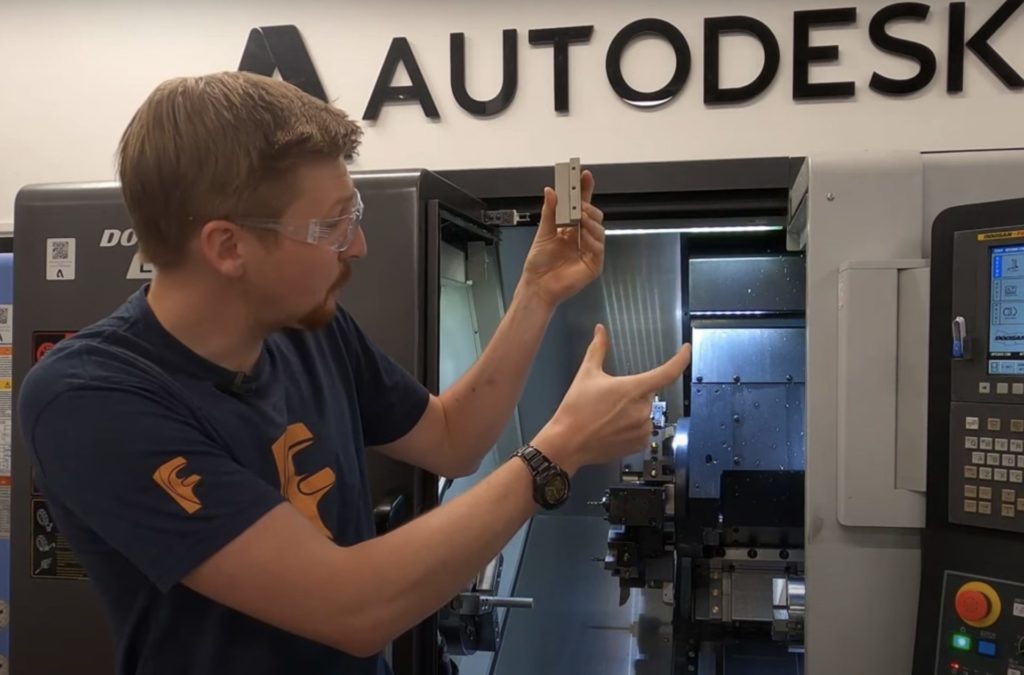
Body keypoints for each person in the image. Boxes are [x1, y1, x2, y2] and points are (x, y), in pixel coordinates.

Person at [16, 71, 691, 675]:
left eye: (355, 215)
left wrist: (536, 293)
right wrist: (555, 454)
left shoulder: (310, 329)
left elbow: (452, 437)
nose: (358, 245)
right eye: (333, 225)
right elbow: (351, 606)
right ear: (228, 245)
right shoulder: (91, 399)